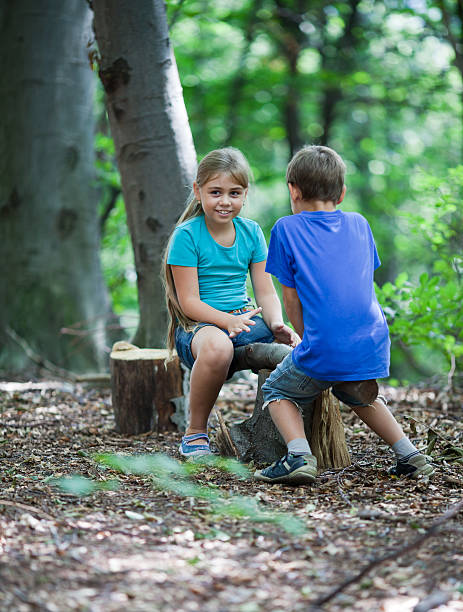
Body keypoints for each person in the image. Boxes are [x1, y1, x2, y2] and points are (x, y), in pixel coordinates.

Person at [254, 145, 435, 485]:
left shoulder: (285, 229)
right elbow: (358, 283)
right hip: (372, 341)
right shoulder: (359, 223)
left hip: (326, 345)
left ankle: (298, 456)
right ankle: (410, 455)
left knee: (278, 389)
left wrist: (309, 340)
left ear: (293, 190)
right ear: (342, 192)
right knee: (358, 392)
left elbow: (290, 300)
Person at [162, 147, 298, 458]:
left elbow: (265, 291)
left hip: (244, 321)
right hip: (200, 327)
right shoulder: (187, 236)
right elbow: (189, 302)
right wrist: (226, 322)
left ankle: (296, 443)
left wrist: (276, 324)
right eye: (216, 192)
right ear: (198, 192)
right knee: (219, 346)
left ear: (245, 194)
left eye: (234, 192)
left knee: (299, 348)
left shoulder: (251, 233)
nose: (225, 201)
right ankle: (195, 432)